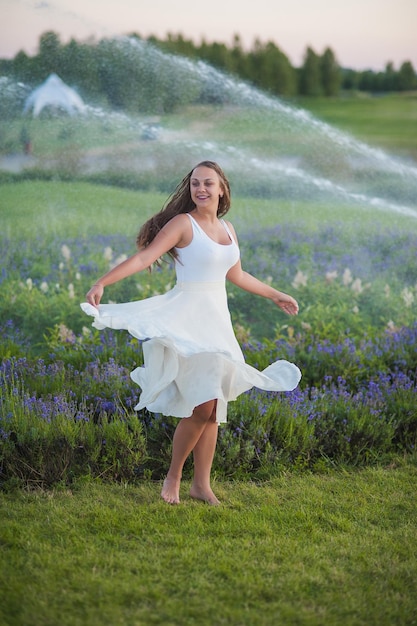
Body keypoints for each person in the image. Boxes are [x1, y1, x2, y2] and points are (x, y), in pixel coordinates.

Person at [81, 161, 301, 505]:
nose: (201, 189)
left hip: (216, 324)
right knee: (204, 406)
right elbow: (144, 258)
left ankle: (202, 485)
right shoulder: (183, 224)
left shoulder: (228, 228)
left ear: (222, 188)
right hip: (187, 321)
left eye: (208, 183)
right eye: (196, 183)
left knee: (213, 409)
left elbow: (238, 275)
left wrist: (276, 294)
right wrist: (101, 282)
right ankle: (174, 476)